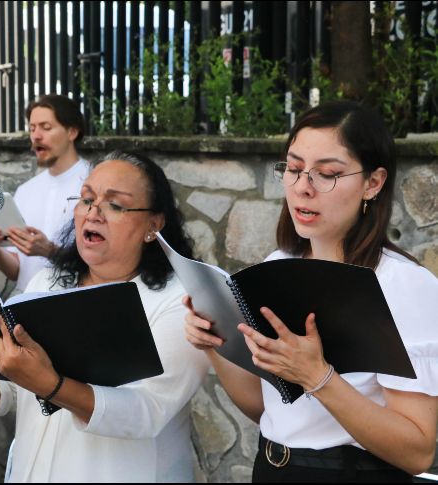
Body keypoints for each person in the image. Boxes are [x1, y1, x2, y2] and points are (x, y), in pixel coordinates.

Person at [185, 101, 438, 482]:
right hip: (272, 468)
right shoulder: (276, 266)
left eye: (328, 174)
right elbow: (266, 410)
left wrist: (319, 378)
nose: (303, 187)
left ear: (373, 182)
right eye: (295, 167)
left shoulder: (401, 284)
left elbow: (417, 451)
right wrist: (213, 343)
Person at [0, 151, 209, 482]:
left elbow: (147, 412)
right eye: (86, 199)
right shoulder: (48, 282)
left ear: (153, 225)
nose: (93, 213)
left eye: (115, 205)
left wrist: (51, 385)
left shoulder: (178, 302)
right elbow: (11, 391)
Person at [0, 94, 90, 292]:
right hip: (26, 300)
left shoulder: (92, 183)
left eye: (46, 127)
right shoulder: (25, 190)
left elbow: (102, 261)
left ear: (72, 132)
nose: (36, 136)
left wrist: (51, 251)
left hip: (74, 301)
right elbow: (16, 270)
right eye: (32, 128)